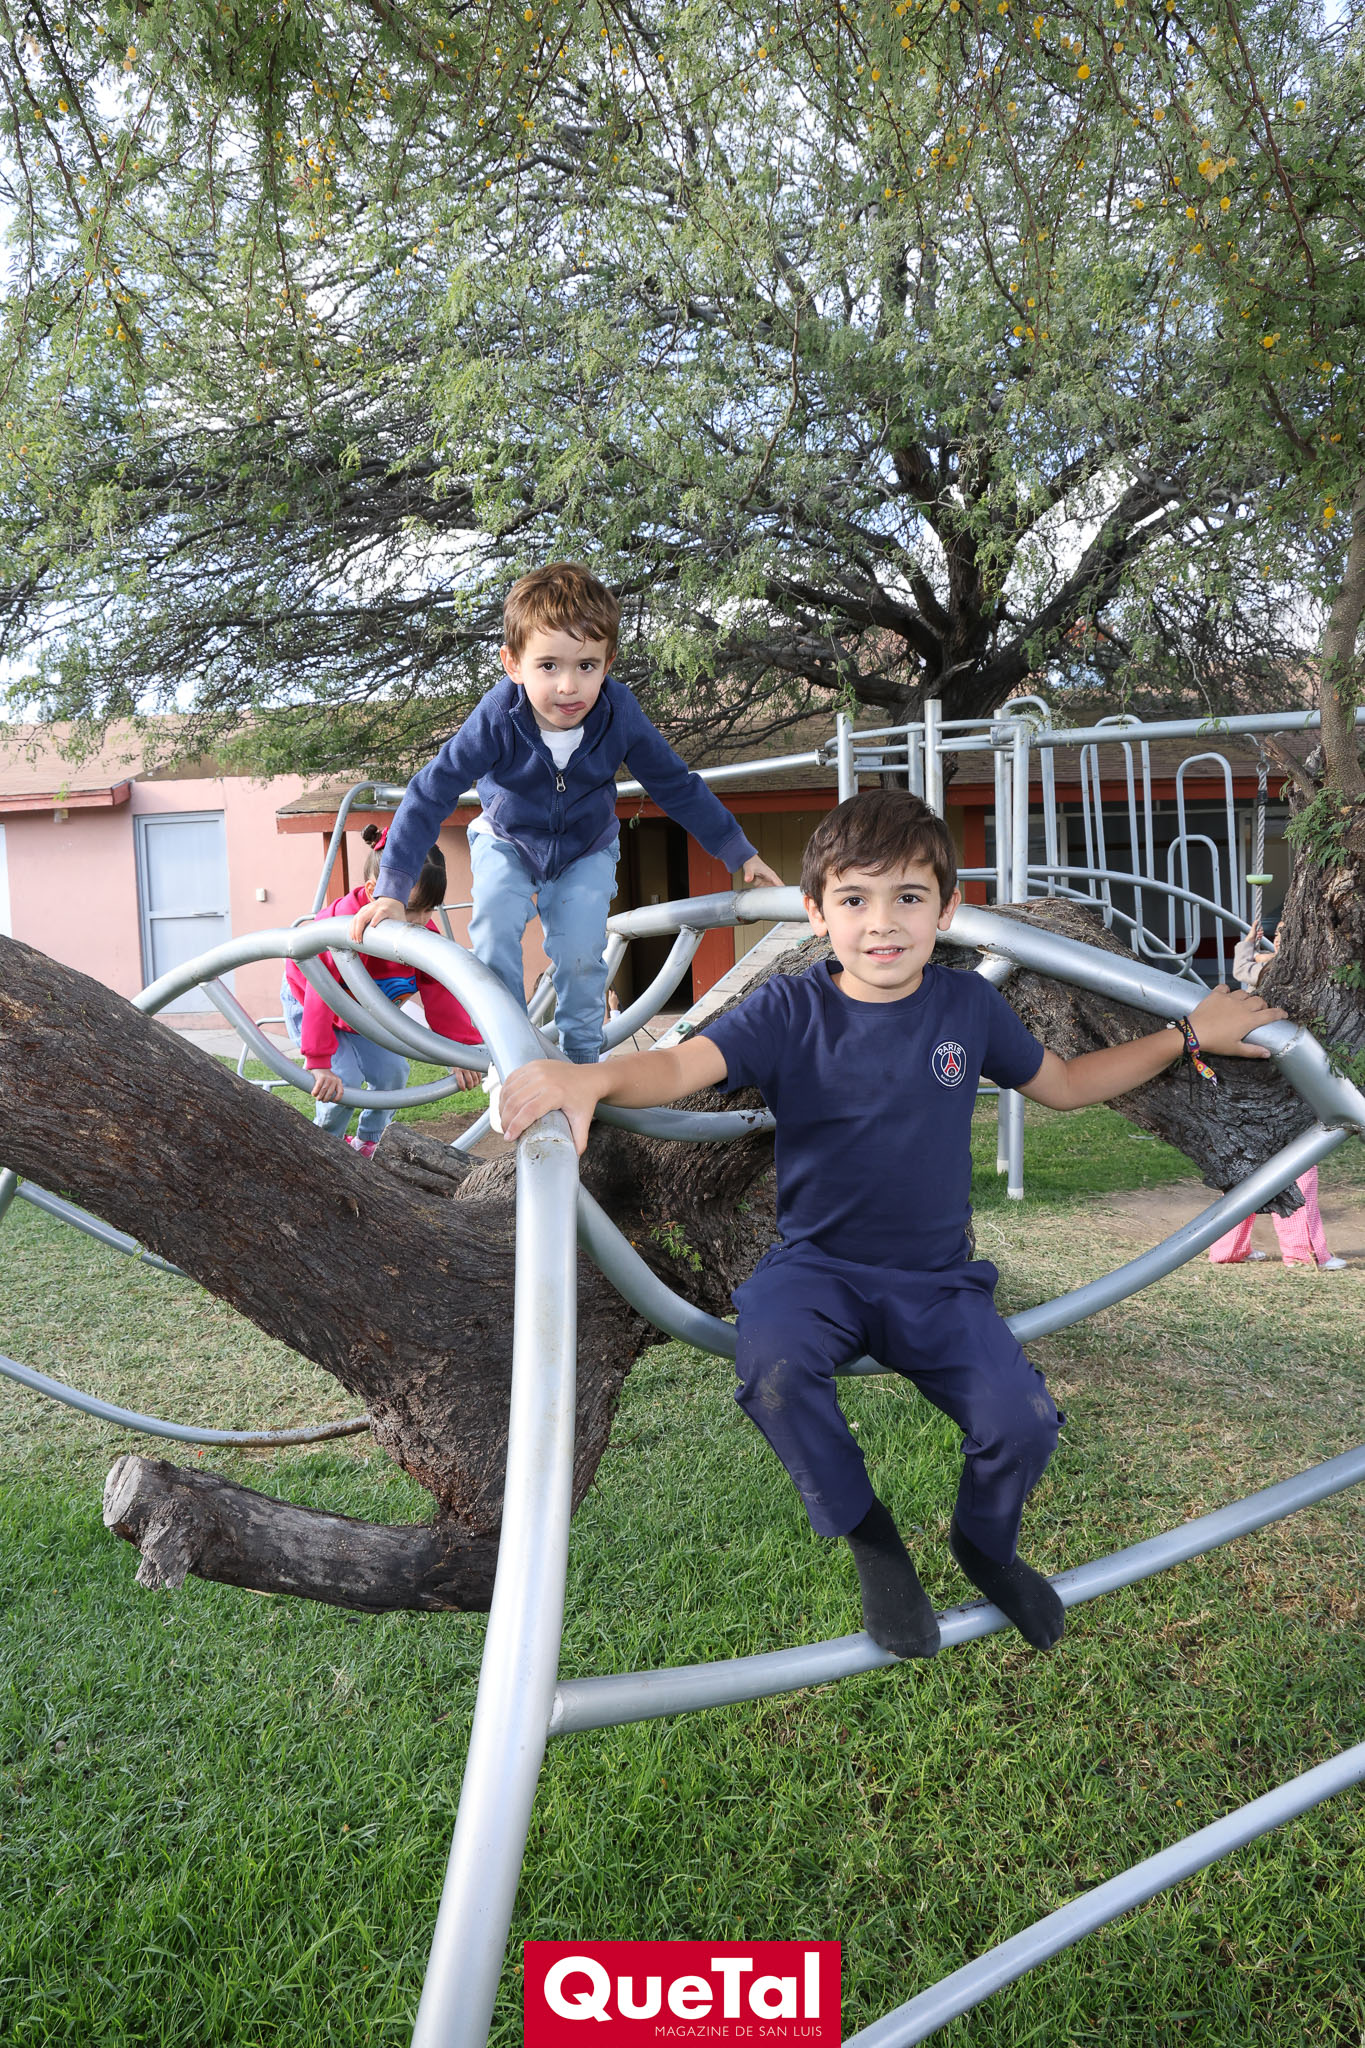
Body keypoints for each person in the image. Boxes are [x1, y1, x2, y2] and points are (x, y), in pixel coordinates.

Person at [499, 790, 1286, 1659]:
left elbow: (1063, 1084)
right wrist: (591, 1079)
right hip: (818, 1269)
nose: (882, 922)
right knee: (773, 1372)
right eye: (854, 899)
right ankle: (871, 1540)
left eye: (908, 897)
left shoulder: (965, 1007)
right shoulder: (789, 1010)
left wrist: (1186, 1034)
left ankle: (984, 1546)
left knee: (1021, 1422)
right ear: (815, 913)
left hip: (937, 1281)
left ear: (945, 909)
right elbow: (683, 1065)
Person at [349, 562, 782, 1065]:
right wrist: (393, 890)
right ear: (513, 664)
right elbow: (430, 791)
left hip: (585, 846)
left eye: (586, 666)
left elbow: (674, 783)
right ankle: (510, 1057)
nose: (569, 686)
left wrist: (738, 851)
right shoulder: (498, 716)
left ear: (608, 662)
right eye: (549, 666)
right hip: (506, 837)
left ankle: (581, 1061)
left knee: (580, 955)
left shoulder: (618, 713)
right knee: (494, 927)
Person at [281, 825, 482, 1156]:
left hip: (364, 1012)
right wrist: (318, 1060)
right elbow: (321, 991)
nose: (421, 920)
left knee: (393, 1072)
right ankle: (326, 1146)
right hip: (316, 1002)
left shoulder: (421, 933)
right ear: (375, 892)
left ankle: (368, 1140)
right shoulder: (343, 925)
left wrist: (460, 1052)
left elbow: (440, 992)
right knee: (341, 1080)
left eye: (430, 909)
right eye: (412, 908)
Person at [1207, 917, 1346, 1269]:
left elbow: (1243, 968)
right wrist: (1250, 943)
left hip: (1257, 1081)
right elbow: (1243, 968)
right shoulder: (1283, 969)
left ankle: (1228, 1249)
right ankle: (1303, 1252)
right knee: (1298, 1164)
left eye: (1288, 930)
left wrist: (1249, 948)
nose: (1283, 936)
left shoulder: (1284, 968)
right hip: (1282, 1079)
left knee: (1246, 1167)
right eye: (1281, 931)